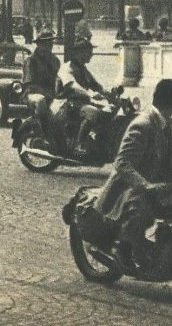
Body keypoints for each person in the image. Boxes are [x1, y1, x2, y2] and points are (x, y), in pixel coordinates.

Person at [96, 79, 172, 272]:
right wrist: (145, 185)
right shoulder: (143, 125)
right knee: (142, 210)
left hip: (154, 182)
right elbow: (122, 163)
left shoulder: (165, 123)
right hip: (127, 188)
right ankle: (124, 247)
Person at [58, 37, 107, 157]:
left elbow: (95, 85)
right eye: (88, 51)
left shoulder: (82, 68)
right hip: (68, 102)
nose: (91, 54)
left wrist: (109, 93)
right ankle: (79, 146)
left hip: (82, 102)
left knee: (108, 111)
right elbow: (72, 85)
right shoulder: (67, 67)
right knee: (92, 112)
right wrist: (90, 94)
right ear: (79, 52)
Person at [21, 29, 61, 124]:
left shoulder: (55, 60)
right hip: (33, 94)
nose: (49, 45)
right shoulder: (31, 60)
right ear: (39, 44)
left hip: (52, 94)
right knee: (41, 101)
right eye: (46, 42)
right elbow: (29, 84)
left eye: (51, 42)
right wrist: (47, 93)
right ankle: (42, 128)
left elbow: (59, 79)